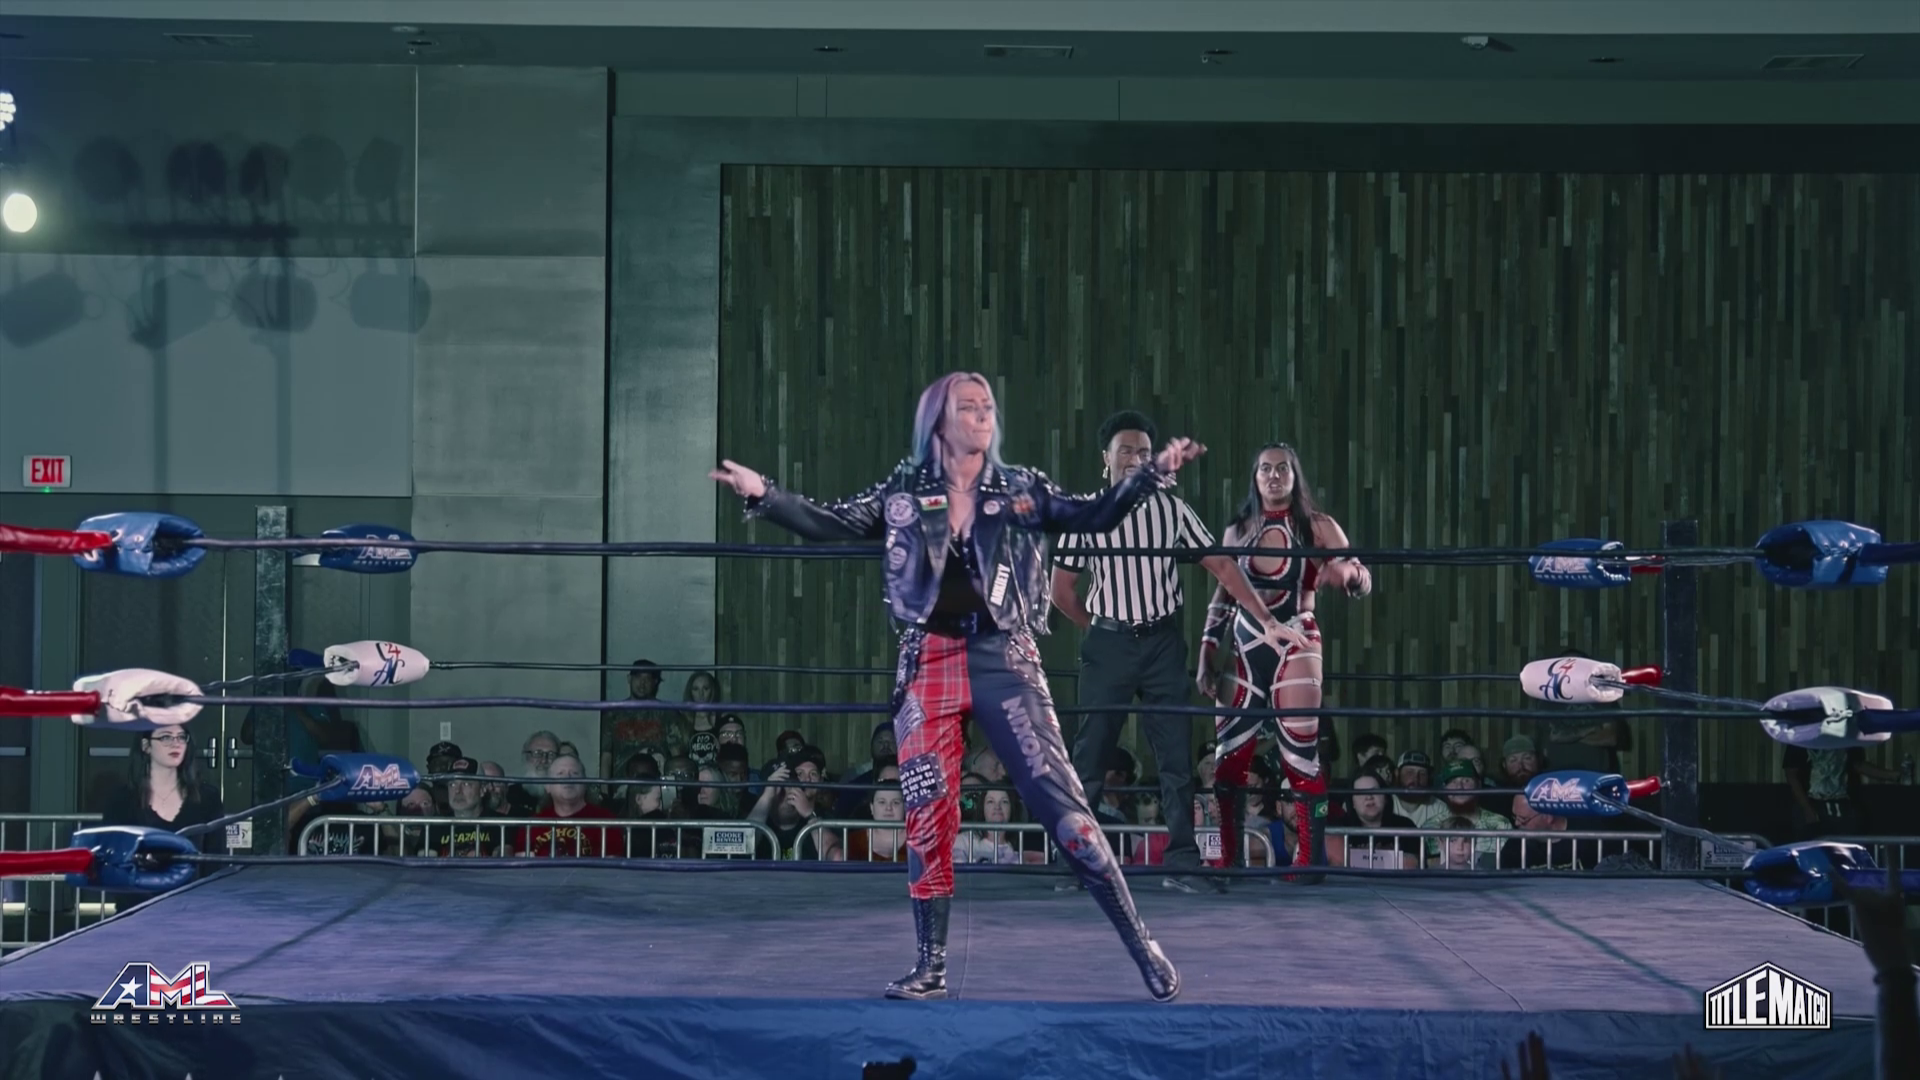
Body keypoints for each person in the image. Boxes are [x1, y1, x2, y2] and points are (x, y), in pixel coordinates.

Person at [710, 370, 1198, 1003]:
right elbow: (833, 523)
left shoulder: (1018, 488)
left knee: (1064, 807)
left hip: (1003, 659)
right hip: (929, 662)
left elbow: (1093, 512)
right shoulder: (906, 491)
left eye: (987, 405)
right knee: (927, 812)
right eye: (968, 407)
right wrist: (765, 494)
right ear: (938, 421)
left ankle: (1142, 944)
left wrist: (1148, 475)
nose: (982, 415)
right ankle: (930, 964)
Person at [1052, 409, 1297, 894]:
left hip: (1162, 643)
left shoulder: (1173, 510)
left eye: (1144, 453)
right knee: (1091, 754)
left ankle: (1183, 861)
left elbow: (1223, 566)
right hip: (1109, 642)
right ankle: (1077, 864)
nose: (1135, 459)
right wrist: (1103, 631)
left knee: (1175, 757)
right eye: (1126, 450)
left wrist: (1267, 620)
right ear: (1106, 459)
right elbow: (1061, 592)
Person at [1197, 442, 1371, 877]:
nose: (1273, 476)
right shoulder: (1238, 530)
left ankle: (1309, 860)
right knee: (1228, 758)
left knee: (1300, 755)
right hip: (1244, 643)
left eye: (1282, 469)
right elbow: (1223, 590)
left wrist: (1347, 574)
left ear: (1295, 476)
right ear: (1254, 477)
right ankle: (1229, 856)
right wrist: (1207, 650)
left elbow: (1363, 576)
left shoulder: (1318, 526)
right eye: (1265, 469)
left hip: (1296, 637)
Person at [101, 724, 228, 871]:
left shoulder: (207, 797)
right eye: (166, 737)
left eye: (181, 737)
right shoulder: (121, 800)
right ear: (146, 746)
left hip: (197, 886)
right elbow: (112, 859)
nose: (176, 743)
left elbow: (216, 862)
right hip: (138, 885)